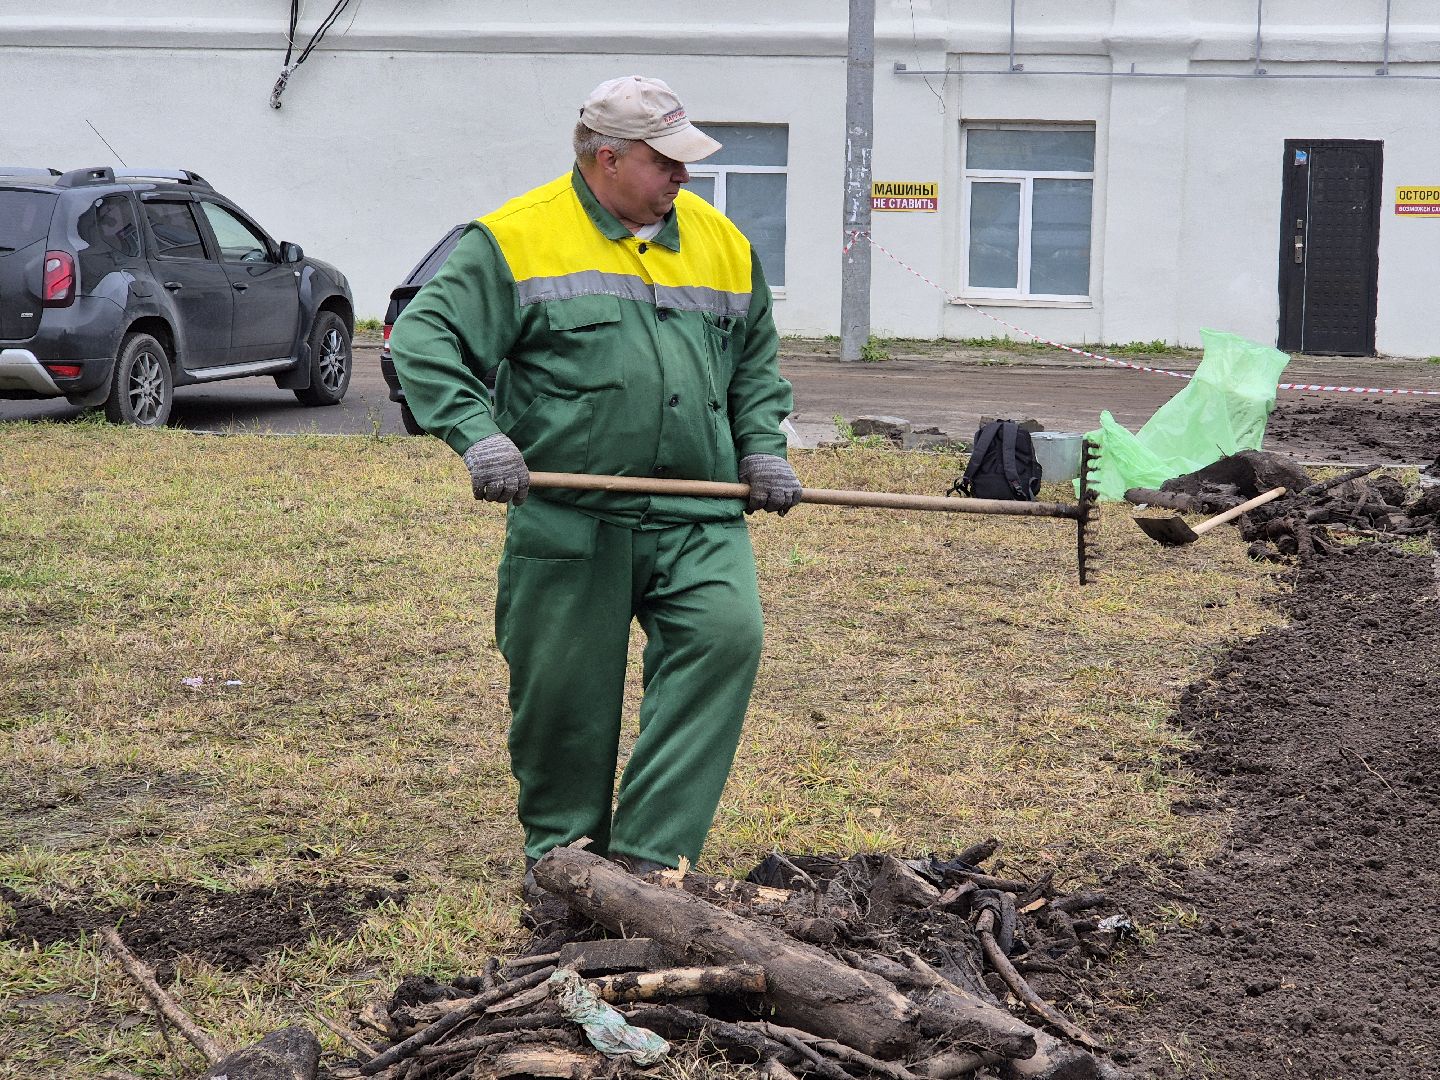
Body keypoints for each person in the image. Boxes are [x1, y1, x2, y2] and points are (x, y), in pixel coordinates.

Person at [390, 75, 799, 881]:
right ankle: (568, 864)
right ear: (606, 159)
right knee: (564, 703)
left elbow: (753, 359)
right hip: (572, 516)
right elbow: (423, 337)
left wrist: (760, 445)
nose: (682, 178)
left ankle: (650, 867)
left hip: (698, 512)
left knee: (726, 640)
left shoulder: (720, 242)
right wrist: (478, 436)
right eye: (665, 163)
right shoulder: (515, 239)